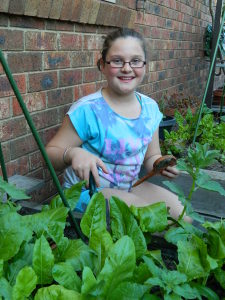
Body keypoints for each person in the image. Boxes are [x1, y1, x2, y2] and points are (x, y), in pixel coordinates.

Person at [46, 27, 185, 220]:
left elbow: (152, 155)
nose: (127, 68)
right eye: (117, 61)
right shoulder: (88, 110)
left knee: (181, 215)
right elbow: (50, 153)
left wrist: (160, 164)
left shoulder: (150, 109)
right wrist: (73, 153)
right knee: (148, 217)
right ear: (102, 65)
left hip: (130, 186)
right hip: (87, 192)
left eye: (135, 61)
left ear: (145, 66)